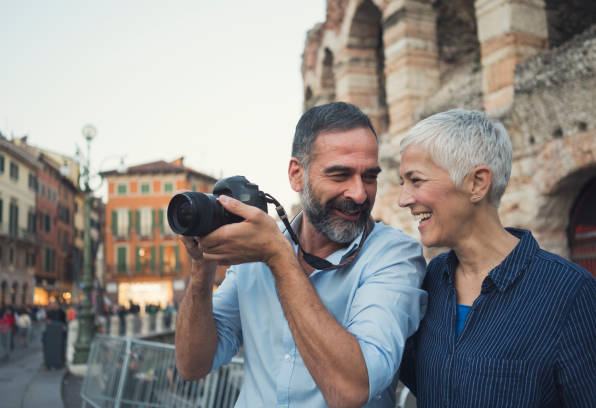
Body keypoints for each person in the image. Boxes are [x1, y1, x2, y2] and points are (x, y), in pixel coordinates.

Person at [175, 102, 427, 407]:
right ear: (297, 175)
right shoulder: (256, 255)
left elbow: (351, 390)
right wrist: (201, 264)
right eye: (340, 175)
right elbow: (192, 365)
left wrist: (279, 257)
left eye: (369, 177)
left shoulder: (394, 256)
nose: (359, 194)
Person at [397, 109, 596, 407]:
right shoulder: (432, 278)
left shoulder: (570, 293)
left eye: (416, 180)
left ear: (477, 183)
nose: (403, 198)